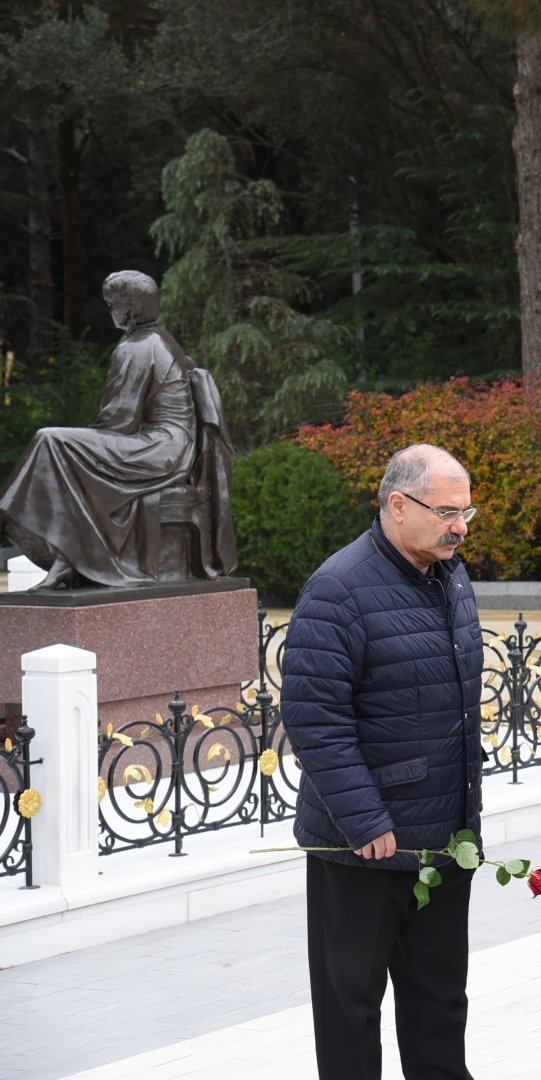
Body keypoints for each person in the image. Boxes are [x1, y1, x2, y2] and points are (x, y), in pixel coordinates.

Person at [281, 444, 484, 1080]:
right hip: (362, 850)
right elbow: (315, 720)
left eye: (466, 513)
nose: (460, 527)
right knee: (351, 1011)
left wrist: (466, 818)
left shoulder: (450, 576)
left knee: (440, 1006)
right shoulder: (337, 589)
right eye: (447, 512)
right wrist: (365, 820)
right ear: (398, 505)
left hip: (444, 842)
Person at [0, 269, 235, 588]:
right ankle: (66, 556)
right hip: (171, 447)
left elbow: (119, 420)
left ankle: (58, 548)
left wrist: (86, 442)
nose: (111, 311)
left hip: (160, 448)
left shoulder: (136, 348)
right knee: (61, 446)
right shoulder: (161, 341)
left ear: (128, 309)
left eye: (112, 304)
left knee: (52, 440)